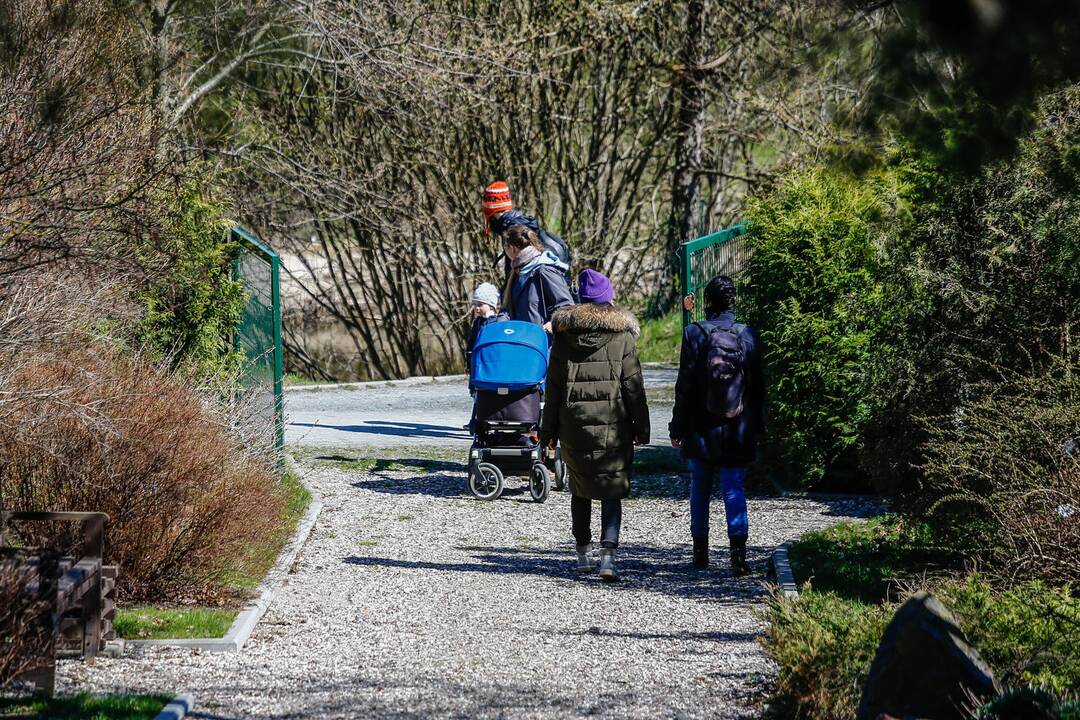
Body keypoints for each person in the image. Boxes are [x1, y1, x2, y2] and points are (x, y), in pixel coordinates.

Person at [540, 269, 649, 582]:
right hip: (613, 427)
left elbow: (554, 389)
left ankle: (582, 554)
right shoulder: (623, 337)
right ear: (609, 299)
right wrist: (641, 428)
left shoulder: (563, 338)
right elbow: (633, 387)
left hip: (574, 426)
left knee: (580, 487)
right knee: (611, 489)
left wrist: (547, 434)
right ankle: (608, 558)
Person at [668, 275, 765, 576]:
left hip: (701, 426)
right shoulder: (748, 334)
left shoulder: (694, 333)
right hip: (738, 427)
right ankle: (738, 555)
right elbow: (759, 388)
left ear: (707, 302)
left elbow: (683, 387)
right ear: (733, 300)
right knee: (733, 487)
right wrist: (757, 428)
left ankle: (700, 554)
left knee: (699, 487)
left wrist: (677, 427)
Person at [500, 224, 574, 331]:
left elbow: (568, 307)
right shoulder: (517, 273)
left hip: (543, 344)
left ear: (512, 248)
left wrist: (554, 323)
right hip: (520, 341)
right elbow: (508, 310)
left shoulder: (544, 270)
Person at [465, 282, 507, 374]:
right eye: (475, 304)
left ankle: (502, 389)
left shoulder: (499, 322)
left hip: (495, 363)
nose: (477, 308)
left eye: (480, 305)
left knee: (499, 386)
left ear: (491, 306)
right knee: (479, 385)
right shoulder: (477, 322)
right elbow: (471, 344)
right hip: (478, 364)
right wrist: (469, 364)